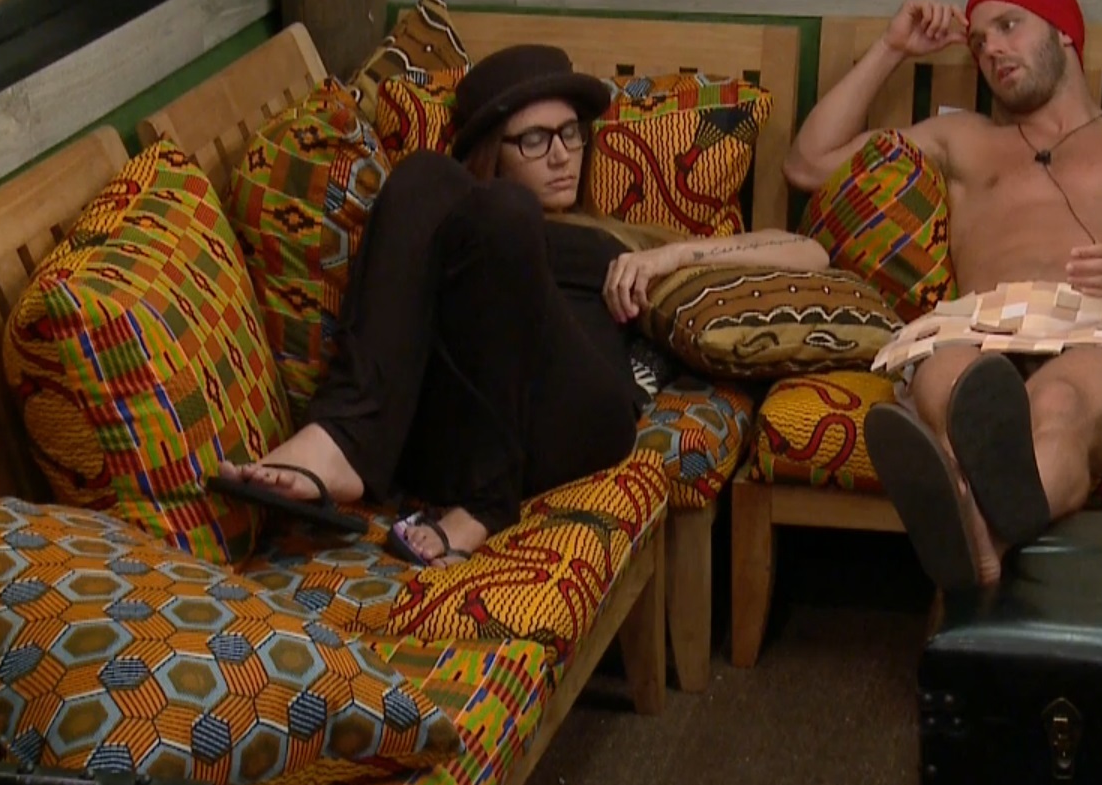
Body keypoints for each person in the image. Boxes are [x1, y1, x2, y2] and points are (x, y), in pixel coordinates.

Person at [209, 44, 829, 568]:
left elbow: (808, 253)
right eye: (534, 139)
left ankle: (486, 505)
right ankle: (341, 440)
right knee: (424, 175)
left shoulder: (623, 238)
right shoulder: (463, 224)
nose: (561, 155)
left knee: (507, 211)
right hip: (453, 435)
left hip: (577, 418)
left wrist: (672, 255)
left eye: (570, 133)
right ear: (491, 154)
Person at [782, 0, 1102, 590]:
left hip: (1099, 329)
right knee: (956, 388)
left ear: (1065, 34)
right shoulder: (960, 138)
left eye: (1009, 26)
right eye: (978, 42)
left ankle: (974, 539)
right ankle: (987, 540)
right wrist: (892, 47)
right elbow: (810, 165)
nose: (991, 48)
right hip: (972, 325)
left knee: (1059, 405)